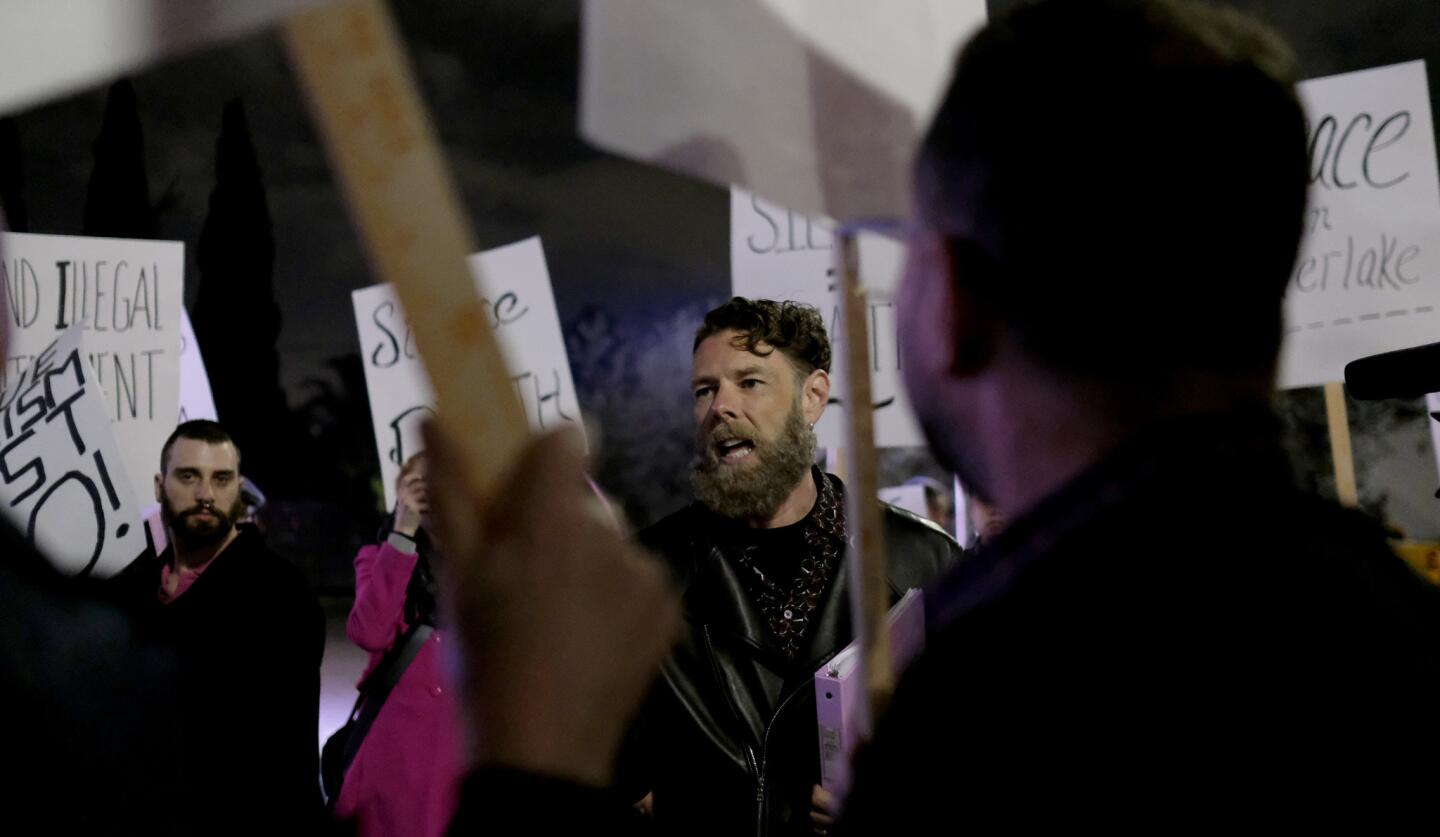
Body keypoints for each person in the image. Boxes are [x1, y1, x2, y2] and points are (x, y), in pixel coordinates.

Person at [430, 0, 1440, 831]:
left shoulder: (992, 691)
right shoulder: (1399, 637)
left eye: (906, 247)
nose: (721, 407)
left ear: (950, 302)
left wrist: (532, 773)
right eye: (706, 388)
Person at [620, 298, 962, 836]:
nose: (721, 407)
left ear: (813, 396)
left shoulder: (923, 561)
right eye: (704, 390)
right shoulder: (641, 575)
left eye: (750, 382)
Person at [112, 419, 326, 835]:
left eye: (221, 479)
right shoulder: (134, 586)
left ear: (239, 489)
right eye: (189, 476)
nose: (205, 495)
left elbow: (267, 752)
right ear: (159, 486)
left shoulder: (279, 595)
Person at [333, 454, 464, 837]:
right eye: (421, 486)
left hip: (460, 760)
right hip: (392, 760)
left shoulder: (484, 566)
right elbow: (368, 633)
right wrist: (403, 532)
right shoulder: (379, 557)